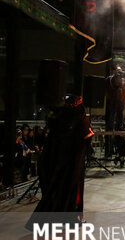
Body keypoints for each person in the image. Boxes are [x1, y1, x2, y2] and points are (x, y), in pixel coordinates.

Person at [26, 95, 93, 229]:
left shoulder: (58, 116)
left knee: (55, 189)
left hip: (54, 161)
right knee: (72, 189)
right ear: (78, 101)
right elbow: (87, 137)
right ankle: (72, 219)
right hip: (72, 162)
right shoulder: (79, 116)